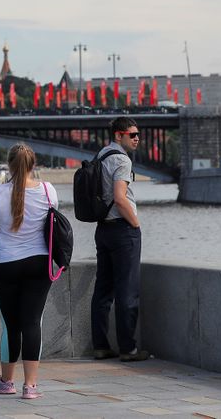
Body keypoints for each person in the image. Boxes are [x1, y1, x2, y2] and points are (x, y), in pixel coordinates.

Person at [0, 142, 55, 400]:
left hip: (6, 264)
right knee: (33, 322)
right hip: (39, 263)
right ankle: (30, 386)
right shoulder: (48, 191)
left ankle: (6, 381)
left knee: (10, 325)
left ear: (9, 166)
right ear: (33, 165)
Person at [91, 117, 150, 362]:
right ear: (119, 135)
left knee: (103, 290)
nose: (137, 138)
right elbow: (119, 197)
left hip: (103, 229)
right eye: (132, 134)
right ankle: (129, 349)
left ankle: (101, 346)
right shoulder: (122, 159)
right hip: (123, 230)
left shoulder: (101, 155)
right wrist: (135, 223)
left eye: (138, 134)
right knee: (128, 290)